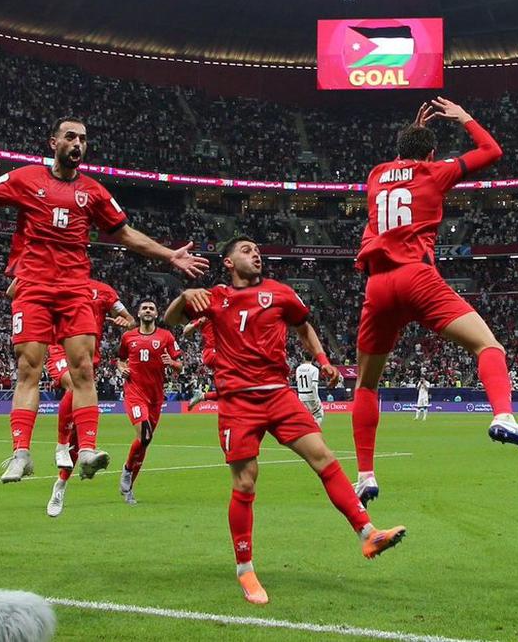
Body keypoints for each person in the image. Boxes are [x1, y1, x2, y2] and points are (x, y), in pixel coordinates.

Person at [0, 117, 209, 483]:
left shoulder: (94, 192)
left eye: (83, 139)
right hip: (34, 286)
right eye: (71, 137)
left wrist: (169, 255)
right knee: (28, 369)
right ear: (53, 142)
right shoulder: (26, 179)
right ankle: (21, 453)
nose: (78, 143)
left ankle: (85, 449)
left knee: (83, 367)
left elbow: (126, 234)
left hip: (74, 288)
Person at [166, 236, 406, 606]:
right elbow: (169, 323)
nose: (255, 254)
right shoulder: (214, 297)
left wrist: (323, 359)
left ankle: (368, 533)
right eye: (245, 251)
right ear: (228, 263)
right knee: (245, 484)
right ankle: (245, 569)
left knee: (324, 457)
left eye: (257, 250)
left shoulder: (281, 293)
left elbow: (303, 326)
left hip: (279, 393)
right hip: (237, 401)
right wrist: (183, 297)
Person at [350, 98, 518, 505]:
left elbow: (399, 166)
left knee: (366, 385)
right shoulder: (434, 170)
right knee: (488, 346)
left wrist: (412, 136)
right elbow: (492, 152)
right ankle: (504, 417)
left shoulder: (376, 174)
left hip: (377, 287)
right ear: (430, 154)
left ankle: (366, 476)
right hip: (417, 277)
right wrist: (464, 119)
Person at [39, 278, 134, 517]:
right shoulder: (55, 285)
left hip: (89, 356)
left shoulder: (104, 290)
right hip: (58, 348)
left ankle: (61, 483)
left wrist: (127, 322)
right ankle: (62, 446)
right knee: (73, 385)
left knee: (78, 430)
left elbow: (130, 320)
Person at [116, 300, 182, 505]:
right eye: (144, 308)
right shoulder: (128, 337)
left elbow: (179, 365)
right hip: (135, 393)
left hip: (156, 397)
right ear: (138, 312)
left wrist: (172, 363)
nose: (147, 311)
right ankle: (127, 469)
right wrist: (121, 369)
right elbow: (120, 359)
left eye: (151, 308)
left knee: (145, 442)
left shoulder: (166, 337)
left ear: (156, 314)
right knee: (144, 435)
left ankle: (129, 488)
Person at [294, 358, 324, 425]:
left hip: (301, 396)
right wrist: (316, 398)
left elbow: (297, 382)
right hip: (311, 396)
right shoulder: (314, 369)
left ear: (304, 358)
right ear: (313, 358)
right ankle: (315, 431)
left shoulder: (298, 369)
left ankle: (305, 432)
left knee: (305, 417)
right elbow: (314, 385)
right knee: (319, 415)